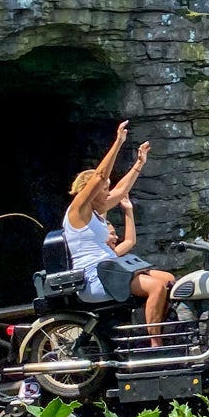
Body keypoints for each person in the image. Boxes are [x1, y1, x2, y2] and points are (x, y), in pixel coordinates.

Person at [65, 121, 176, 341]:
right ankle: (155, 344)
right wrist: (118, 142)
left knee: (168, 279)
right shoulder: (78, 211)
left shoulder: (97, 211)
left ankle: (154, 329)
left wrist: (139, 164)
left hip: (111, 270)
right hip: (95, 278)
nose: (108, 193)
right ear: (90, 191)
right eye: (104, 190)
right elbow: (99, 176)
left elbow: (121, 190)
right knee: (156, 288)